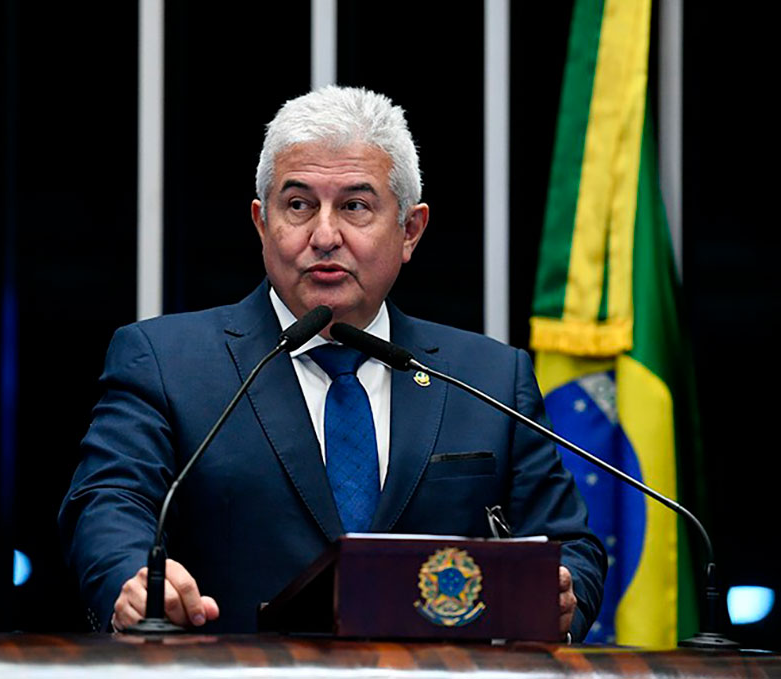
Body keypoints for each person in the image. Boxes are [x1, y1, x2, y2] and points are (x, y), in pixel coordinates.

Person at [59, 86, 605, 640]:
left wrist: (565, 595)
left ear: (410, 230)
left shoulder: (487, 377)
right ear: (261, 222)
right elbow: (108, 501)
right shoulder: (166, 361)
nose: (324, 235)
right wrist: (131, 576)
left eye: (355, 206)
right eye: (298, 205)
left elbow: (569, 547)